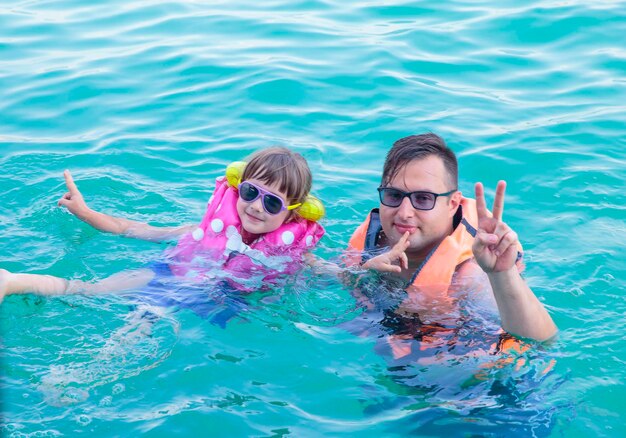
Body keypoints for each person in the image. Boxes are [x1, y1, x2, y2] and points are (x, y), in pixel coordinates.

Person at [0, 147, 325, 311]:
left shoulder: (295, 255)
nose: (255, 206)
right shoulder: (198, 231)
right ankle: (11, 281)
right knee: (90, 289)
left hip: (215, 298)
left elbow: (335, 272)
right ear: (238, 188)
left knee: (147, 322)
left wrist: (368, 267)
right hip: (168, 274)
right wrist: (85, 212)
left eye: (272, 203)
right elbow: (130, 228)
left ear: (292, 213)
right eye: (251, 192)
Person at [347, 133, 557, 344]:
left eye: (423, 198)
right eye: (394, 195)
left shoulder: (468, 273)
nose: (404, 213)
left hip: (459, 360)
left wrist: (502, 273)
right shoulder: (374, 241)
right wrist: (361, 272)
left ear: (453, 205)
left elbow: (542, 342)